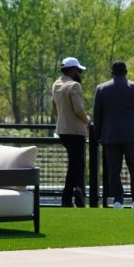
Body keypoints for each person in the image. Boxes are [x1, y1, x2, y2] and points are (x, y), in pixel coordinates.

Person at [94, 61, 134, 209]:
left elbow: (97, 115)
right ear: (126, 72)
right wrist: (133, 118)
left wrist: (98, 135)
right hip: (132, 134)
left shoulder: (101, 89)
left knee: (114, 171)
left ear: (111, 72)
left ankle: (117, 201)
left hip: (110, 135)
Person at [51, 57, 91, 207]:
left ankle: (78, 194)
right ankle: (68, 197)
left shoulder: (56, 84)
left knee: (77, 164)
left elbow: (54, 108)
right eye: (79, 70)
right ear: (73, 70)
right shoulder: (74, 86)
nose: (80, 73)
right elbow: (79, 109)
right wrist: (88, 121)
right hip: (76, 131)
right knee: (76, 164)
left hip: (62, 129)